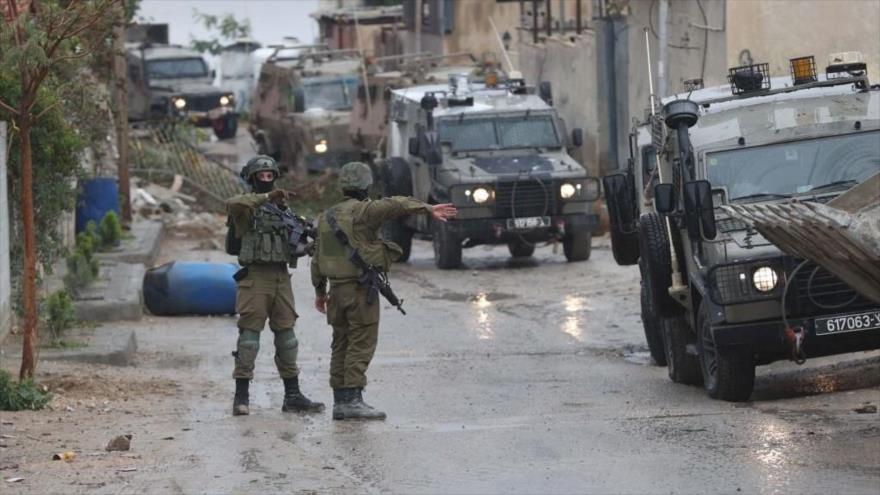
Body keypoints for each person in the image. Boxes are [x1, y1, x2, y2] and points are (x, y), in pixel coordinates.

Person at [311, 161, 457, 420]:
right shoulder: (365, 211)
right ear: (367, 185)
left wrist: (320, 292)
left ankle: (340, 401)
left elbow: (317, 259)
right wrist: (428, 208)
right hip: (358, 291)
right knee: (361, 342)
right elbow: (396, 204)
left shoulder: (325, 217)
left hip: (336, 291)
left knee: (340, 343)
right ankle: (353, 400)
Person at [227, 155, 324, 416]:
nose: (267, 180)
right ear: (252, 178)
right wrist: (267, 198)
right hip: (255, 277)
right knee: (249, 338)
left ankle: (292, 395)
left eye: (271, 175)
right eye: (262, 175)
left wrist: (309, 245)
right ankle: (241, 396)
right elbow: (232, 203)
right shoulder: (246, 207)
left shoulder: (285, 211)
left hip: (281, 277)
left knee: (287, 337)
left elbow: (294, 243)